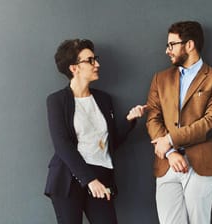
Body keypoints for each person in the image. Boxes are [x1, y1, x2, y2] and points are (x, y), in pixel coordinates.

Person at [45, 39, 146, 224]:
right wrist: (89, 180)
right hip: (69, 178)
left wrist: (129, 121)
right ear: (74, 68)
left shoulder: (103, 99)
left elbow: (111, 142)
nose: (97, 64)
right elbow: (62, 145)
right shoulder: (56, 101)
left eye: (95, 59)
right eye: (90, 60)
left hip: (101, 175)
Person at [146, 21, 212, 224]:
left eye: (172, 45)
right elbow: (152, 117)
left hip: (201, 164)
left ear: (189, 45)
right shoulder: (161, 78)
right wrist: (170, 151)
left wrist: (170, 139)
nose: (167, 51)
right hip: (167, 164)